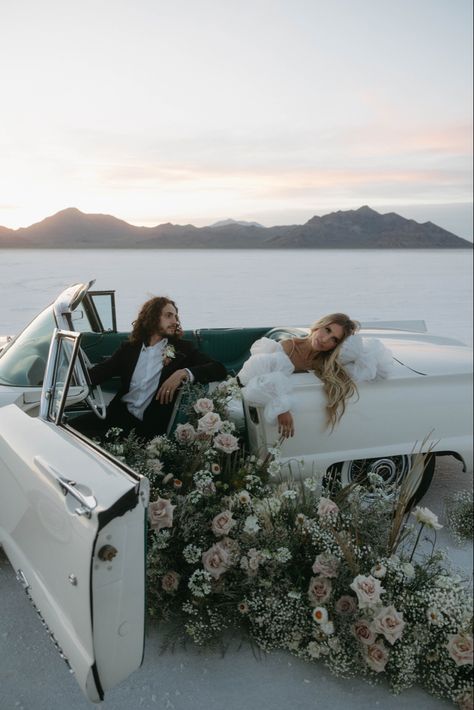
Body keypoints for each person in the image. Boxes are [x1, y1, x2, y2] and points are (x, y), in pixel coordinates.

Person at [77, 296, 227, 440]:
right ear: (153, 317)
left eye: (176, 317)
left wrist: (183, 372)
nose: (175, 321)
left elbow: (219, 368)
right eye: (169, 316)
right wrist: (71, 377)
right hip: (117, 415)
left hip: (146, 428)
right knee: (68, 429)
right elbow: (99, 373)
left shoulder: (182, 350)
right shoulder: (130, 349)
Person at [238, 313, 392, 438]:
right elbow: (256, 380)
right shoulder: (288, 347)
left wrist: (356, 351)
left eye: (334, 339)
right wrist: (281, 407)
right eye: (327, 330)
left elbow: (376, 371)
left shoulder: (325, 362)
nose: (325, 339)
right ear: (319, 325)